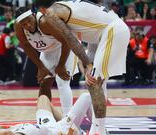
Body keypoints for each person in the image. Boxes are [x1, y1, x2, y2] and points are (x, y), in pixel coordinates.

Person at [34, 0, 130, 134]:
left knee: (94, 81)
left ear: (41, 10)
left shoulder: (51, 13)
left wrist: (88, 64)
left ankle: (99, 131)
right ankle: (98, 128)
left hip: (112, 31)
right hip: (99, 34)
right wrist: (86, 62)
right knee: (97, 83)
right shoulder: (65, 4)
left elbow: (70, 39)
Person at [14, 7, 79, 115]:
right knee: (44, 83)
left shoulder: (45, 22)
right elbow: (26, 46)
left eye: (29, 20)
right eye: (24, 24)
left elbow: (66, 41)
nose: (28, 25)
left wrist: (61, 65)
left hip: (67, 45)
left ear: (34, 15)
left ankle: (68, 119)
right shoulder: (18, 26)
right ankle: (45, 115)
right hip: (48, 51)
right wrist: (41, 67)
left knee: (62, 81)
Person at [0, 92, 92, 135]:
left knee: (43, 98)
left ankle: (75, 126)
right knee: (86, 96)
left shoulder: (4, 131)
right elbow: (7, 133)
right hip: (59, 131)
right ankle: (97, 129)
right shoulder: (7, 133)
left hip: (46, 126)